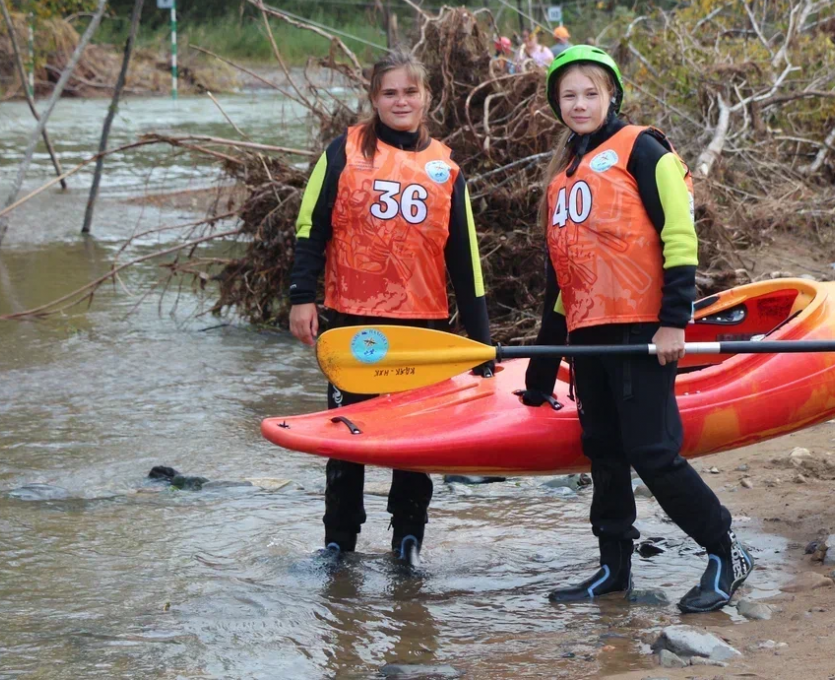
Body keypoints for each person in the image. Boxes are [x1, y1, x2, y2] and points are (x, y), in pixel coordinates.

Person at [515, 45, 753, 613]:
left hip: (643, 327)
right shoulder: (562, 173)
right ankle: (612, 569)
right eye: (568, 95)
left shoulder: (643, 149)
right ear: (556, 103)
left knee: (651, 450)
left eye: (591, 93)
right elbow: (559, 281)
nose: (580, 104)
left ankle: (726, 550)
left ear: (612, 95)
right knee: (602, 450)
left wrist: (675, 322)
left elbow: (680, 236)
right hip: (588, 332)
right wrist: (544, 368)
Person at [288, 50, 494, 565]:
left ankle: (408, 539)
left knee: (415, 440)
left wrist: (480, 339)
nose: (400, 101)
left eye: (410, 92)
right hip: (352, 322)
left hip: (421, 326)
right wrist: (300, 297)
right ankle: (340, 540)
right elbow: (310, 227)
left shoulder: (446, 167)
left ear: (427, 97)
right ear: (374, 98)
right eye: (389, 93)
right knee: (346, 435)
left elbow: (464, 259)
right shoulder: (343, 151)